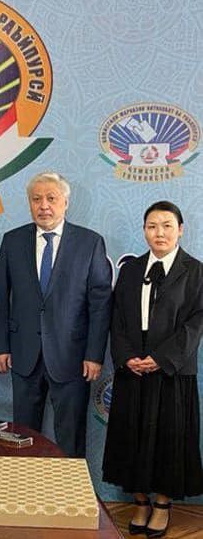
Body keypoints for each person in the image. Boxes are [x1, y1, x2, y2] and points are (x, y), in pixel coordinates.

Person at [102, 201, 203, 538]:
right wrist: (126, 356)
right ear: (144, 230)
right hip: (133, 369)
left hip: (172, 370)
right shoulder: (131, 270)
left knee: (169, 440)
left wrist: (162, 358)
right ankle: (140, 501)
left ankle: (162, 504)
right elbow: (116, 317)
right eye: (152, 226)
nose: (159, 232)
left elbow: (196, 323)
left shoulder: (196, 271)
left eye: (167, 225)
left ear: (180, 230)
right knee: (131, 436)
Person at [0, 172, 112, 457]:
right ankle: (23, 484)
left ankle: (72, 487)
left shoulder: (89, 242)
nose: (43, 205)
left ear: (65, 203)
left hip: (72, 357)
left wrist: (94, 354)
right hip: (23, 355)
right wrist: (0, 347)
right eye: (36, 199)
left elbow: (99, 304)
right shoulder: (12, 241)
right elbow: (1, 298)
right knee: (22, 437)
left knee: (70, 437)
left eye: (51, 198)